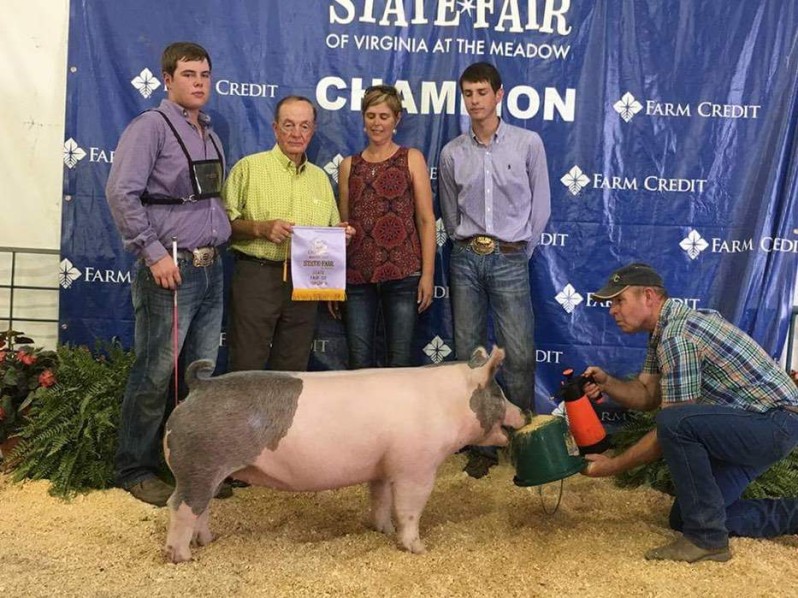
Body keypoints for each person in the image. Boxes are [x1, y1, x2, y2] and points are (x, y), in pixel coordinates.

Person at [582, 262, 798, 563]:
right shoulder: (665, 331)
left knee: (674, 422)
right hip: (767, 424)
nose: (612, 310)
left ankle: (707, 540)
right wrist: (609, 384)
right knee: (687, 517)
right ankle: (791, 516)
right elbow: (647, 396)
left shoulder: (677, 335)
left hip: (772, 424)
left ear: (648, 296)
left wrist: (612, 466)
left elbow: (672, 428)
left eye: (619, 300)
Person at [106, 42, 232, 507]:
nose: (199, 81)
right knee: (156, 370)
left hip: (210, 265)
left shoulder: (210, 134)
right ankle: (135, 467)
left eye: (205, 74)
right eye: (189, 74)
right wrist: (153, 253)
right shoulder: (150, 128)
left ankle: (190, 465)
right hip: (171, 267)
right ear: (167, 79)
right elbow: (122, 193)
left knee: (199, 374)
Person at [438, 62, 551, 478]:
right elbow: (449, 212)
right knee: (469, 354)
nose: (475, 101)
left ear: (499, 95)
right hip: (466, 256)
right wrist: (465, 242)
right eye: (468, 93)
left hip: (509, 256)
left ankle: (522, 442)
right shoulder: (452, 152)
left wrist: (518, 247)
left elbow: (541, 208)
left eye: (482, 92)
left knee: (518, 352)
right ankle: (480, 444)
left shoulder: (527, 144)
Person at [222, 96, 353, 372]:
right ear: (275, 128)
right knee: (247, 367)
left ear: (313, 130)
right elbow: (223, 226)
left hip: (305, 283)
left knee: (292, 371)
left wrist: (340, 236)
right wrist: (260, 228)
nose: (296, 133)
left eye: (304, 126)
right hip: (257, 277)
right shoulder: (249, 168)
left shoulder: (320, 178)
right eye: (289, 125)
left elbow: (328, 232)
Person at [331, 84, 436, 368]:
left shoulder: (411, 158)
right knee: (359, 363)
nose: (377, 123)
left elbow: (427, 220)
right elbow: (343, 229)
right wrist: (333, 283)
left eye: (384, 116)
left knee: (400, 362)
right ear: (363, 118)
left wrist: (427, 275)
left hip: (403, 274)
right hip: (356, 278)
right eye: (371, 115)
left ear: (397, 120)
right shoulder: (348, 166)